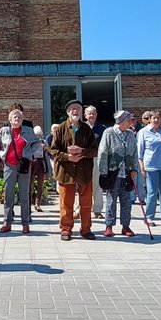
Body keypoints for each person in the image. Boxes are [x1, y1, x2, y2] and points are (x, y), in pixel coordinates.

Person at [49, 100, 98, 241]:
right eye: (72, 109)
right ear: (67, 112)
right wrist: (68, 157)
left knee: (86, 203)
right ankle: (66, 229)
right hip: (66, 171)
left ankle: (86, 229)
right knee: (66, 202)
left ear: (82, 112)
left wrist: (82, 152)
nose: (75, 111)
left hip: (84, 171)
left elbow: (94, 150)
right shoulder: (60, 128)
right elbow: (53, 150)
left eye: (77, 109)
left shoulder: (87, 129)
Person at [0, 108, 41, 234]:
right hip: (9, 166)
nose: (17, 119)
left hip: (24, 167)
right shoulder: (4, 131)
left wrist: (30, 155)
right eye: (14, 117)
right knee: (8, 195)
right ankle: (7, 222)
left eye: (19, 117)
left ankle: (25, 223)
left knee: (24, 196)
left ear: (22, 119)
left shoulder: (28, 131)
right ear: (10, 119)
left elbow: (37, 143)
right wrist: (1, 154)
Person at [97, 110, 138, 237]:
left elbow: (134, 152)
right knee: (111, 200)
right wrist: (104, 172)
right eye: (129, 120)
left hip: (126, 172)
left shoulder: (130, 134)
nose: (131, 122)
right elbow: (103, 152)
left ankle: (126, 226)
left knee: (126, 201)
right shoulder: (109, 132)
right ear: (121, 121)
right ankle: (109, 226)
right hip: (112, 173)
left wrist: (134, 169)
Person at [137, 110, 161, 226]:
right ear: (149, 119)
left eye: (158, 118)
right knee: (152, 192)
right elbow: (140, 152)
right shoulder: (143, 132)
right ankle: (149, 217)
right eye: (154, 118)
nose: (156, 120)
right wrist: (142, 167)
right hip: (151, 166)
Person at [85, 106, 107, 219]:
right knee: (83, 186)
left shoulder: (102, 129)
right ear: (85, 115)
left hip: (97, 160)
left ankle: (97, 210)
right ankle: (81, 209)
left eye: (93, 113)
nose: (91, 116)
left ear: (96, 115)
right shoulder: (81, 127)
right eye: (89, 113)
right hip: (84, 160)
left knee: (98, 185)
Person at [30, 125, 47, 211]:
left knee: (40, 184)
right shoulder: (31, 142)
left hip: (41, 163)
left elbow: (49, 150)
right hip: (32, 163)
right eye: (37, 134)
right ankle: (29, 202)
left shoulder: (44, 141)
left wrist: (45, 147)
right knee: (30, 184)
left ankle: (38, 203)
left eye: (39, 134)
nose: (38, 136)